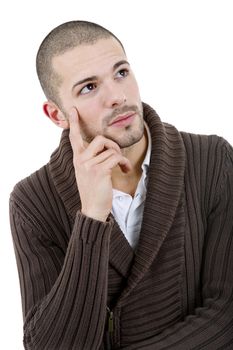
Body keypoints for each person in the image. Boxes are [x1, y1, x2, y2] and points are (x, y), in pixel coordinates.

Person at [9, 20, 233, 350]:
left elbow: (226, 314)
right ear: (56, 114)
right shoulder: (32, 202)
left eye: (121, 73)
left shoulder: (212, 160)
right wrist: (91, 218)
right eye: (88, 87)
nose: (118, 96)